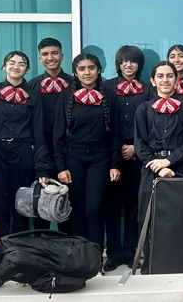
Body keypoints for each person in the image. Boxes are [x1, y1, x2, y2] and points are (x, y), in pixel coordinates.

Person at [134, 61, 183, 273]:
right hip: (151, 167)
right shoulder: (143, 109)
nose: (165, 80)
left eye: (170, 76)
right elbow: (139, 143)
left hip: (182, 167)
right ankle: (150, 267)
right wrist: (159, 167)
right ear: (152, 81)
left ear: (176, 80)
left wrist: (170, 161)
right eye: (160, 76)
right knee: (148, 217)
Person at [54, 53, 121, 252]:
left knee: (94, 208)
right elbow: (58, 134)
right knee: (77, 209)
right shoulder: (66, 96)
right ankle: (78, 256)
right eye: (82, 69)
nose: (87, 72)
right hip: (73, 155)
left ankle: (95, 255)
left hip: (100, 157)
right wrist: (61, 166)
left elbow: (116, 133)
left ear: (98, 70)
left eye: (91, 67)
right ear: (75, 72)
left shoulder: (109, 95)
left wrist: (115, 164)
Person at [0, 51, 52, 240]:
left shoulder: (34, 96)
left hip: (24, 151)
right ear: (4, 66)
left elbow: (39, 133)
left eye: (21, 63)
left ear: (27, 69)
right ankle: (2, 252)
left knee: (21, 203)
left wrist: (42, 168)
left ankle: (20, 253)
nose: (16, 66)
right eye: (12, 63)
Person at [102, 45, 151, 271]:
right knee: (111, 206)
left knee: (133, 206)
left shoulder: (148, 89)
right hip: (111, 155)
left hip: (138, 155)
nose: (128, 65)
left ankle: (132, 251)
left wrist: (134, 147)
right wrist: (118, 147)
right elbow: (104, 122)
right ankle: (113, 253)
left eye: (133, 61)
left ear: (139, 64)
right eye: (124, 61)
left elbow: (152, 123)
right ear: (118, 64)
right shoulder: (107, 87)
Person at [27, 38, 73, 230]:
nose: (50, 57)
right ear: (39, 58)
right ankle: (41, 253)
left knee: (68, 201)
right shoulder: (31, 86)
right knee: (42, 203)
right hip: (42, 150)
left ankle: (68, 253)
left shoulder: (74, 83)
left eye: (54, 53)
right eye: (45, 54)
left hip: (69, 150)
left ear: (62, 56)